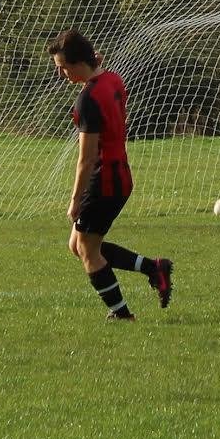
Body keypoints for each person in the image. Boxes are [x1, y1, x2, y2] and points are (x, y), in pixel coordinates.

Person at [48, 29, 172, 321]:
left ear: (80, 62)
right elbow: (98, 71)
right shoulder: (112, 79)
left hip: (103, 181)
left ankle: (122, 314)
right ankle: (154, 268)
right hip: (121, 176)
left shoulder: (87, 101)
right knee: (77, 246)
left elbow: (87, 158)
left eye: (63, 67)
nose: (62, 74)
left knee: (88, 252)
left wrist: (75, 200)